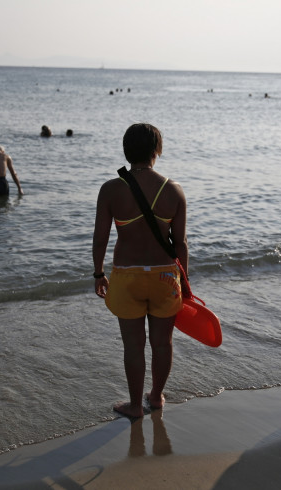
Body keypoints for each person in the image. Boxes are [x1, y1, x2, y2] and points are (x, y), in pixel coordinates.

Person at [92, 123, 188, 418]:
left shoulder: (111, 189)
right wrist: (185, 284)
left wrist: (98, 273)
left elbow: (101, 237)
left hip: (127, 276)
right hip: (164, 277)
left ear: (126, 150)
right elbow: (181, 244)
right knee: (163, 343)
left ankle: (135, 406)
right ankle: (156, 397)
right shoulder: (174, 190)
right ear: (157, 150)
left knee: (133, 345)